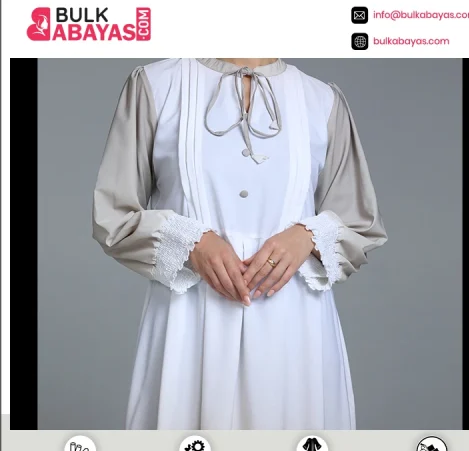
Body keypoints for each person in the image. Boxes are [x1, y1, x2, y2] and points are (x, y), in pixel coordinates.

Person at [92, 58, 388, 430]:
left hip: (297, 328)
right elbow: (115, 214)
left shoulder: (322, 100)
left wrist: (307, 236)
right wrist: (192, 242)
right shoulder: (156, 85)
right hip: (188, 324)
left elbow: (359, 222)